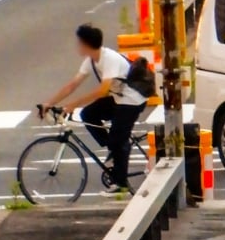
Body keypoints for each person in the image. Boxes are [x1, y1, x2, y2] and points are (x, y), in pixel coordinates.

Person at [41, 24, 147, 194]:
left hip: (132, 100)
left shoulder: (109, 58)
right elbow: (72, 85)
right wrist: (49, 103)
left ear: (86, 44)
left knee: (118, 139)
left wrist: (73, 104)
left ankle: (120, 183)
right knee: (88, 114)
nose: (77, 46)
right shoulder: (91, 60)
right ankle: (114, 151)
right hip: (118, 98)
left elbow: (103, 91)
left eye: (79, 43)